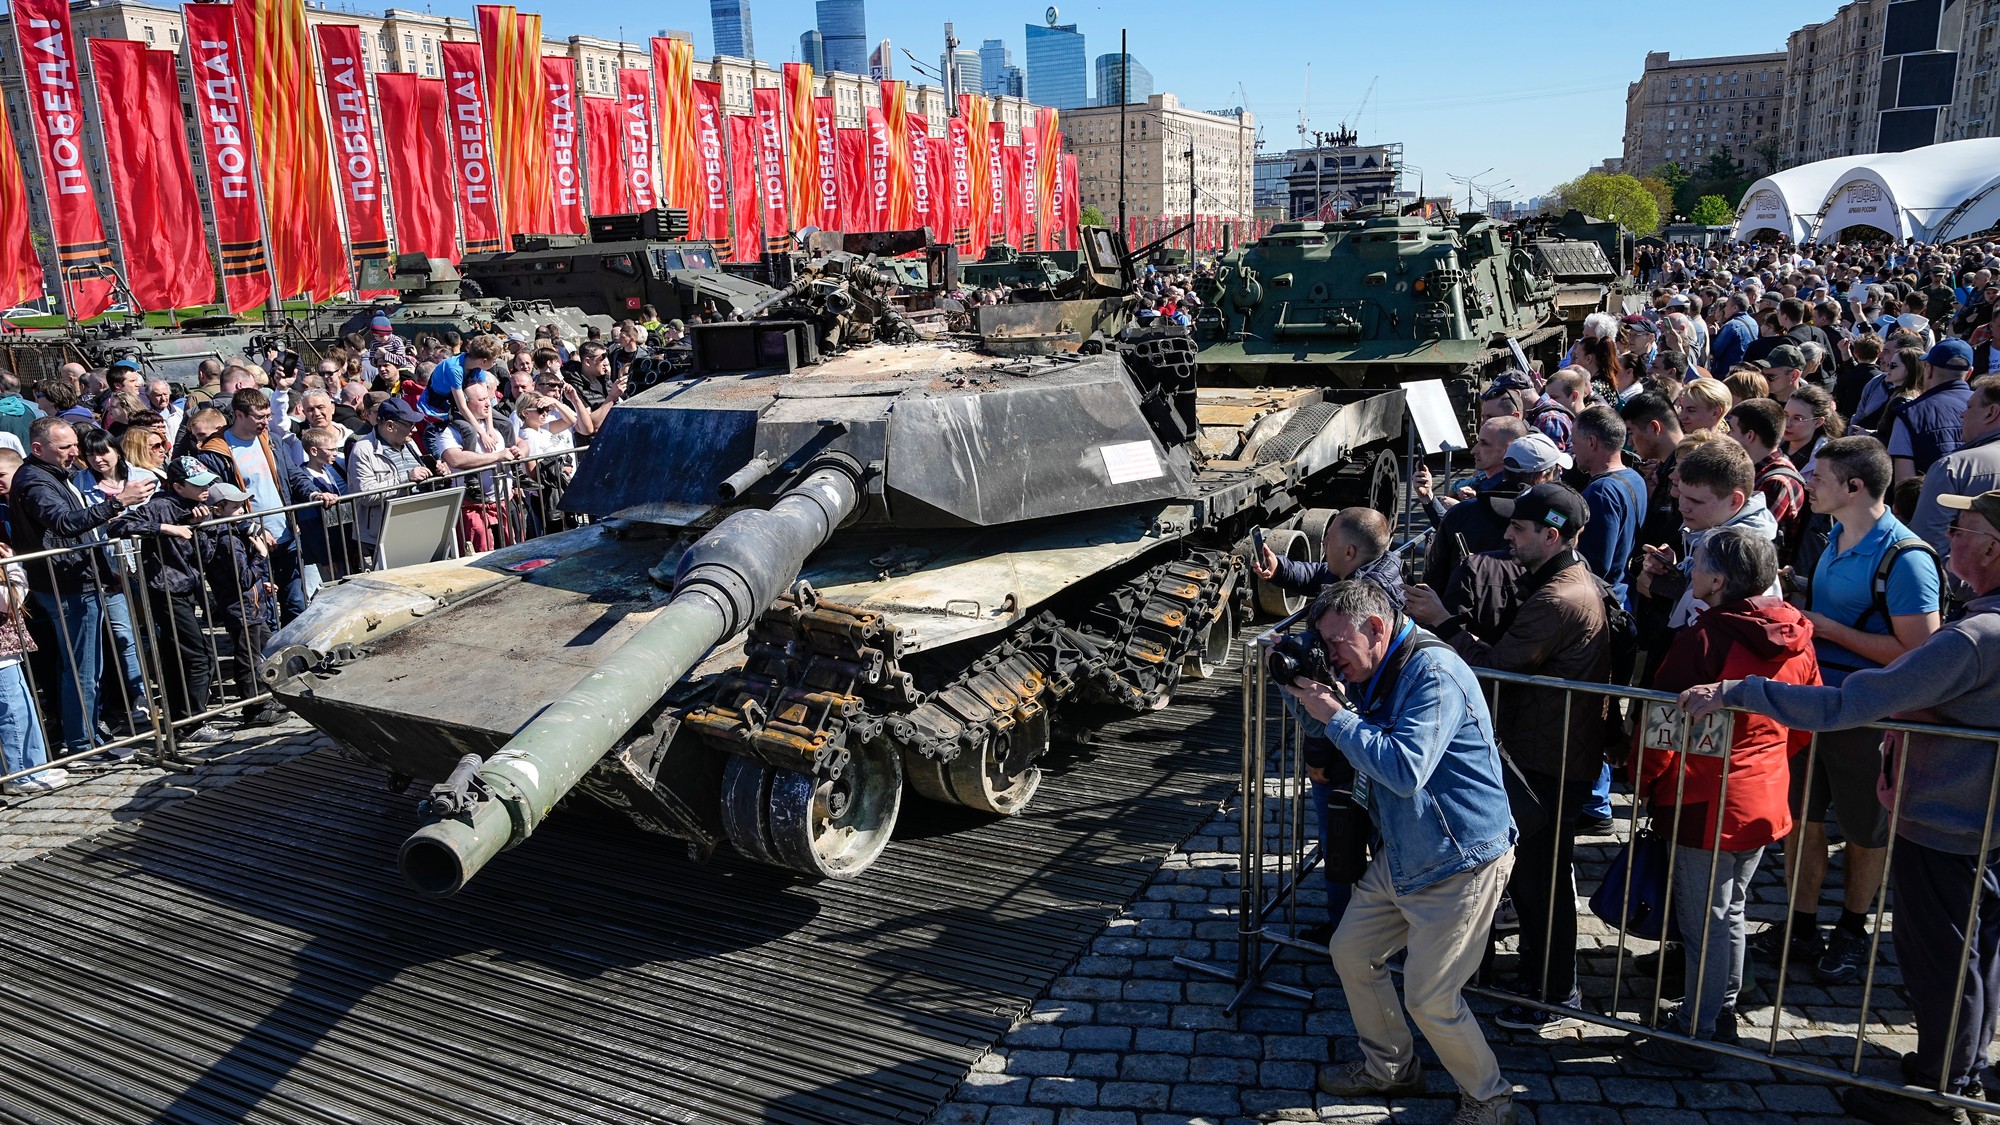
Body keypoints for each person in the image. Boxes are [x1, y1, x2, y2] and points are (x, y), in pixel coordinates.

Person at [1678, 486, 2000, 1125]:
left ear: (1992, 548)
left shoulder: (1975, 637)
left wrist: (1742, 690)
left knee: (1944, 960)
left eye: (1961, 527)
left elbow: (1852, 703)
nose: (1947, 536)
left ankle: (1942, 1091)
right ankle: (1958, 1072)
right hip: (1977, 819)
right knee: (1981, 954)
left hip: (1947, 822)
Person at [1282, 581, 1520, 1125]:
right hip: (1409, 851)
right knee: (1351, 953)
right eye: (1325, 644)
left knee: (1432, 997)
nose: (1334, 656)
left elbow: (1404, 771)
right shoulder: (1372, 667)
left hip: (1460, 857)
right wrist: (1302, 689)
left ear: (1376, 627)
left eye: (1337, 643)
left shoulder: (1432, 673)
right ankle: (1391, 1068)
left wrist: (1335, 715)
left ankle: (1491, 1099)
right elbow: (1336, 741)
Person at [1404, 483, 1609, 1033]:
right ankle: (1543, 981)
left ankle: (1553, 990)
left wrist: (1444, 621)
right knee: (1536, 875)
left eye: (1519, 529)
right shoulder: (1559, 579)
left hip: (1546, 757)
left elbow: (1498, 669)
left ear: (1551, 534)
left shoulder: (1559, 598)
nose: (1508, 536)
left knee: (1540, 879)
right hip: (1543, 747)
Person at [1625, 529, 1818, 1070]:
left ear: (1719, 579)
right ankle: (1719, 1012)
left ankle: (1697, 1030)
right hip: (1765, 794)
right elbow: (1804, 722)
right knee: (1728, 913)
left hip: (1705, 799)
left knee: (1703, 922)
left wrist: (1645, 781)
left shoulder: (1705, 640)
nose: (1691, 572)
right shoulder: (1798, 635)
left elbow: (1662, 730)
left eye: (1699, 565)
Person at [1757, 436, 1942, 981]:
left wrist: (1824, 624)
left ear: (1854, 487)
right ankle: (1801, 924)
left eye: (1819, 476)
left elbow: (1921, 653)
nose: (1807, 482)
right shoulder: (1834, 533)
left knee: (1866, 830)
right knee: (1803, 821)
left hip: (1869, 720)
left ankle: (1853, 929)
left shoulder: (1906, 560)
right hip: (1815, 706)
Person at [1251, 508, 1404, 942]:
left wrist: (1299, 675)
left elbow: (1326, 706)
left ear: (1351, 552)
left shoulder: (1364, 594)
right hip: (1362, 735)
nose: (1323, 549)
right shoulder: (1377, 570)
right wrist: (1282, 569)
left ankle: (1349, 933)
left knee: (1343, 833)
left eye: (1329, 543)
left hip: (1347, 743)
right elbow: (1322, 573)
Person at [8, 418, 155, 754]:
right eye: (65, 448)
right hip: (67, 586)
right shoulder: (36, 482)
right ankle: (82, 742)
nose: (75, 453)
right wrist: (119, 502)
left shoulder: (55, 474)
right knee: (82, 668)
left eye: (75, 445)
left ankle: (89, 736)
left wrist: (104, 570)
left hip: (80, 581)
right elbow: (64, 523)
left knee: (87, 666)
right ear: (38, 449)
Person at [107, 456, 230, 745]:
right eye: (197, 485)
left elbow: (202, 554)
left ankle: (184, 720)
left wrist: (202, 526)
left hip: (184, 584)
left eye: (207, 483)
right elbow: (118, 526)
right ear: (177, 486)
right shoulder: (161, 505)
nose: (206, 489)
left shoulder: (197, 507)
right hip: (164, 588)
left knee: (184, 656)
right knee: (197, 655)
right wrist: (166, 528)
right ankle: (192, 721)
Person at [197, 389, 306, 623]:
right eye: (260, 417)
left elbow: (293, 476)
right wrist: (252, 528)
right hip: (250, 543)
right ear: (239, 415)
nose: (266, 422)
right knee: (264, 609)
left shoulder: (271, 440)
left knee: (296, 602)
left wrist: (315, 491)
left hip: (285, 534)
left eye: (267, 416)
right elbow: (220, 501)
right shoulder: (215, 453)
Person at [1421, 426, 1557, 592]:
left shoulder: (1464, 511)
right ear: (1542, 476)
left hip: (1457, 606)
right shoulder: (1549, 520)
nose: (1473, 451)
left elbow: (1434, 578)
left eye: (1484, 444)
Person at [0, 508, 65, 794]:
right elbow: (7, 600)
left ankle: (31, 765)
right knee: (13, 711)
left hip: (7, 652)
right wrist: (13, 568)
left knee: (22, 706)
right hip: (2, 655)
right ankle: (21, 774)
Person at [1913, 376, 2000, 591]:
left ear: (1992, 412)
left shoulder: (1954, 467)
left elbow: (1926, 548)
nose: (1962, 414)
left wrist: (1964, 593)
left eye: (1969, 407)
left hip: (1967, 606)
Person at [1572, 406, 1647, 610]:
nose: (1572, 449)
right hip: (1623, 595)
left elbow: (1596, 564)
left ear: (1591, 442)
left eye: (1574, 442)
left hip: (1602, 602)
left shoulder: (1601, 491)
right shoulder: (1635, 478)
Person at [348, 397, 434, 560]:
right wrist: (406, 479)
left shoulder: (410, 444)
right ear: (389, 425)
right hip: (380, 538)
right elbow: (365, 495)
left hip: (415, 530)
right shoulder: (363, 450)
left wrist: (438, 474)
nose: (414, 430)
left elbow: (422, 482)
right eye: (410, 425)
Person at [1724, 399, 1807, 562]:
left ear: (1750, 435)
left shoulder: (1776, 482)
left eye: (1732, 429)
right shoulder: (1757, 470)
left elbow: (1751, 543)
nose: (1727, 436)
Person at [1889, 339, 1976, 485]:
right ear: (1969, 373)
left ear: (1928, 370)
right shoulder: (1989, 408)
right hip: (1982, 504)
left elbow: (1903, 484)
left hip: (1930, 504)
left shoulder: (1910, 414)